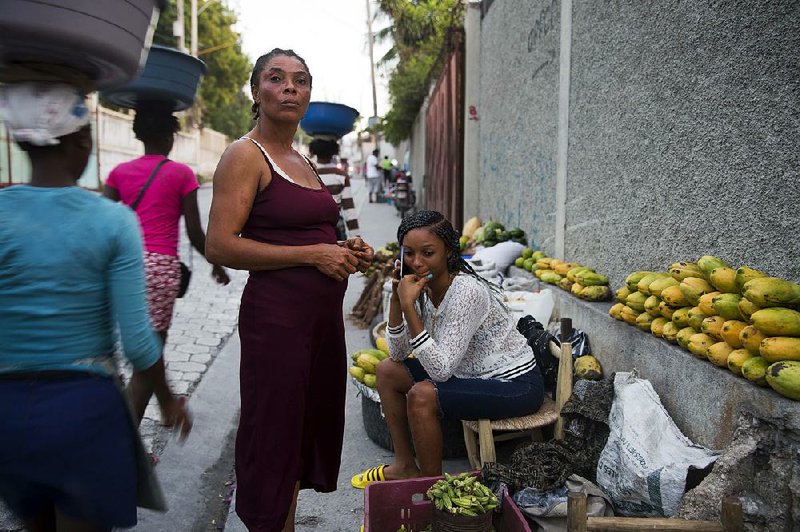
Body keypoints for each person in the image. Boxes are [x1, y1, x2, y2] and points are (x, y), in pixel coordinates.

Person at [0, 81, 192, 532]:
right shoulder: (113, 221)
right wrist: (168, 401)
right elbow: (141, 345)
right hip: (82, 412)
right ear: (84, 139)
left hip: (8, 414)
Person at [205, 48, 375, 532]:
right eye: (276, 79)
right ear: (256, 91)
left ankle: (288, 524)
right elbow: (219, 244)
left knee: (304, 429)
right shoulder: (246, 155)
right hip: (277, 323)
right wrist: (313, 255)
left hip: (320, 324)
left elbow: (312, 233)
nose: (289, 88)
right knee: (274, 434)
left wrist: (344, 249)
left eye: (300, 81)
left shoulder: (301, 160)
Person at [351, 210, 544, 488]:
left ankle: (431, 488)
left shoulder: (467, 292)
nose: (417, 262)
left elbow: (440, 372)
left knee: (422, 395)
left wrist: (409, 307)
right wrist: (397, 301)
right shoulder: (422, 287)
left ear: (448, 252)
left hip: (514, 383)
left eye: (427, 253)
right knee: (387, 370)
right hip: (468, 374)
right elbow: (397, 354)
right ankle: (405, 466)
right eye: (409, 253)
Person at [103, 102, 229, 420]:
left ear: (138, 135)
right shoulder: (181, 174)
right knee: (150, 356)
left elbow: (102, 223)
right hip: (160, 270)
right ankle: (130, 446)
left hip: (125, 268)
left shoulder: (119, 174)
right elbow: (195, 231)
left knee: (141, 355)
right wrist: (215, 263)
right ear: (172, 137)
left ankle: (134, 434)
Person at [308, 137, 359, 240]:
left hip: (311, 228)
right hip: (335, 227)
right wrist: (356, 237)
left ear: (314, 151)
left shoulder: (308, 172)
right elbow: (349, 209)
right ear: (334, 152)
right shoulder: (341, 175)